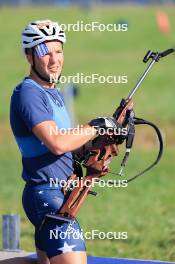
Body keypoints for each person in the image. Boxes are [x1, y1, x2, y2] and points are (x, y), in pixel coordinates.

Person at [10, 20, 118, 264]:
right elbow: (57, 143)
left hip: (60, 192)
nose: (54, 59)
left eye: (58, 51)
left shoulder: (53, 92)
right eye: (45, 53)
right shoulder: (29, 93)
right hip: (46, 195)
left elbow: (69, 147)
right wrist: (94, 127)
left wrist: (98, 143)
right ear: (29, 57)